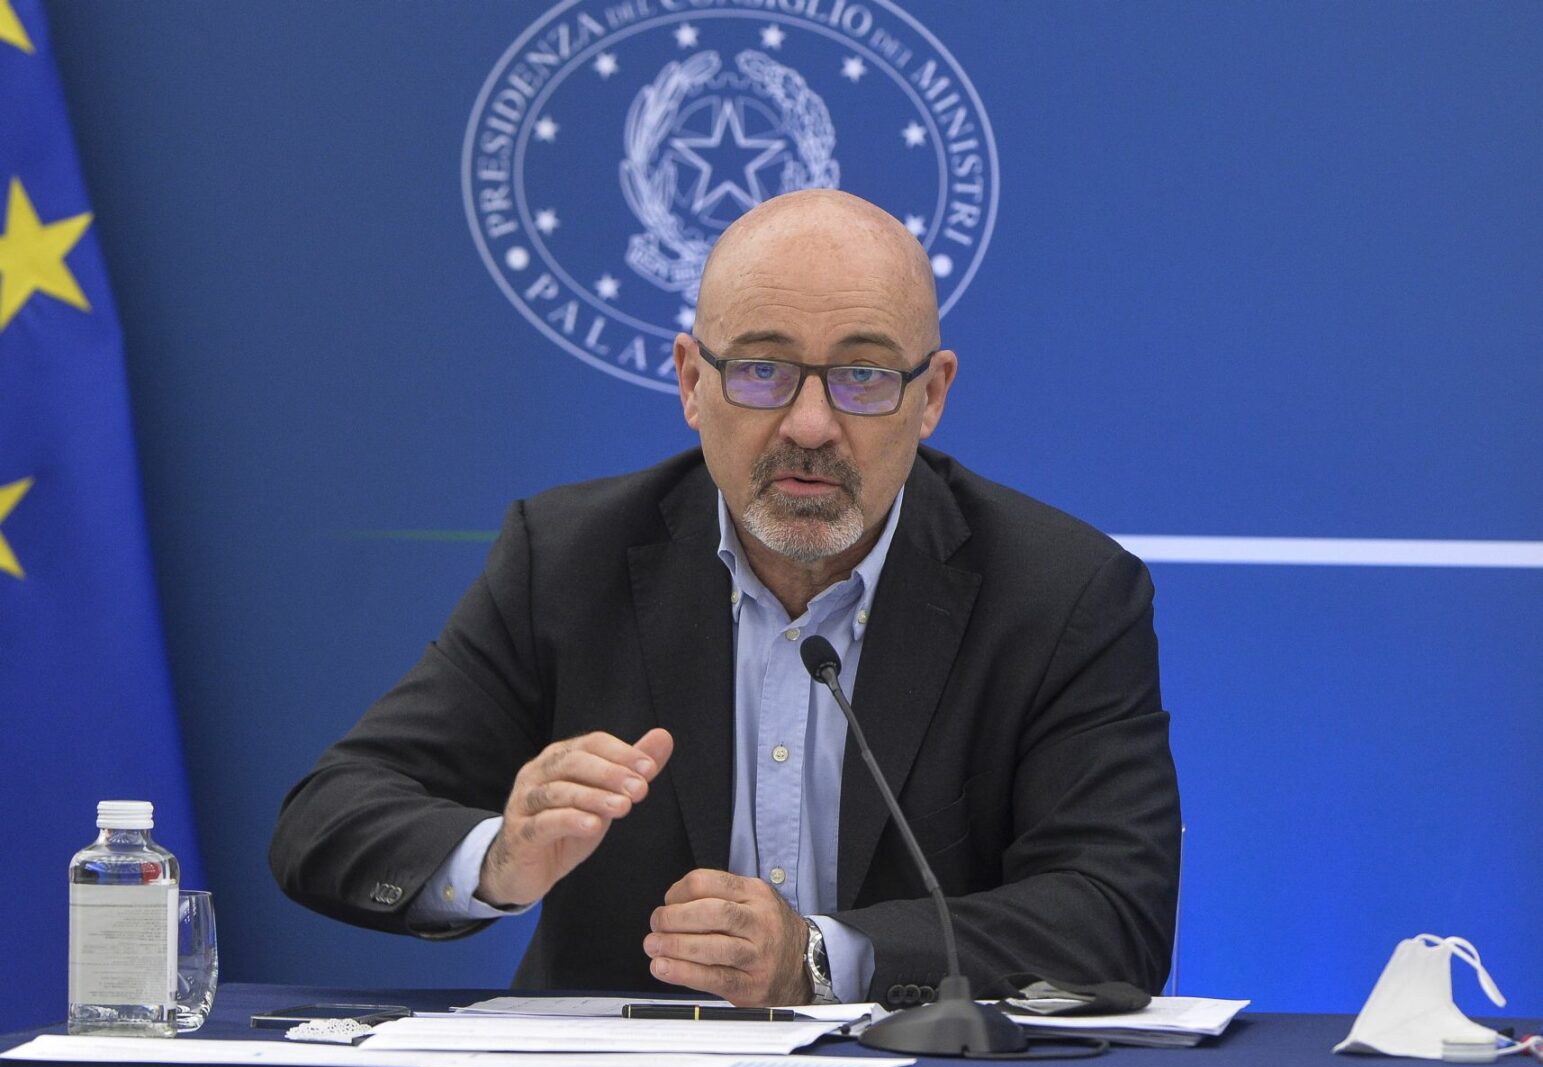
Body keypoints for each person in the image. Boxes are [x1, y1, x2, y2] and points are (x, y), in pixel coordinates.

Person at [269, 189, 1181, 1008]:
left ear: (931, 394)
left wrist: (820, 958)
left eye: (862, 376)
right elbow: (327, 819)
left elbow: (1112, 916)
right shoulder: (568, 560)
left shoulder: (1059, 592)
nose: (810, 425)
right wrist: (497, 857)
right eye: (761, 370)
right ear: (690, 383)